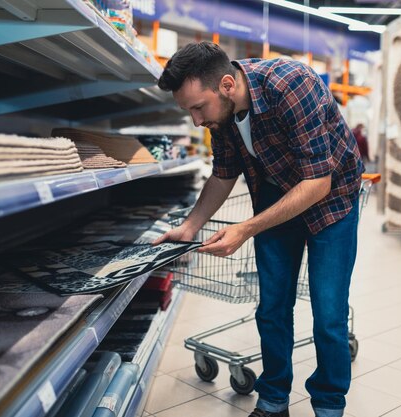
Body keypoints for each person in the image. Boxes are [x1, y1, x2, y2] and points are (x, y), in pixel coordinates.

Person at [154, 42, 363, 417]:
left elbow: (318, 182)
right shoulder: (223, 114)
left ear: (228, 85)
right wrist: (189, 226)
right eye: (188, 112)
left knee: (329, 315)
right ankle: (273, 400)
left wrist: (246, 229)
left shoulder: (292, 84)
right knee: (271, 308)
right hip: (275, 193)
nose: (196, 121)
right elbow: (223, 173)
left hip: (332, 200)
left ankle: (329, 406)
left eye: (198, 108)